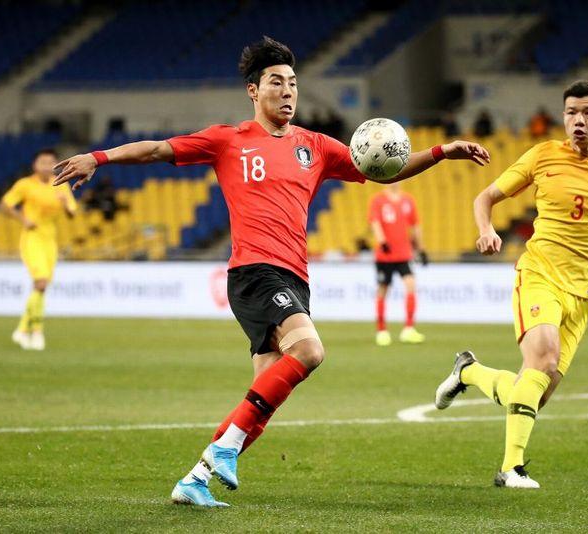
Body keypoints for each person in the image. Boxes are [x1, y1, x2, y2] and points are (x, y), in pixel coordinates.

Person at [52, 37, 490, 507]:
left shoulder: (315, 146)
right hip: (254, 272)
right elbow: (157, 149)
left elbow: (385, 169)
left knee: (260, 401)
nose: (288, 92)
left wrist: (442, 151)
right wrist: (98, 157)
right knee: (309, 350)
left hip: (295, 278)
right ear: (253, 90)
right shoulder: (228, 140)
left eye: (293, 84)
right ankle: (222, 451)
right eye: (276, 82)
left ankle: (194, 480)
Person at [434, 80, 588, 489]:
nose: (578, 120)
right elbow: (484, 198)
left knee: (534, 391)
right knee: (544, 359)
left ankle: (469, 372)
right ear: (563, 118)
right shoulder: (543, 155)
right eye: (571, 113)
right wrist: (486, 230)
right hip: (540, 275)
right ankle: (511, 469)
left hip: (583, 293)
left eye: (587, 112)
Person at [1, 148, 77, 351]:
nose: (46, 166)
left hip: (50, 241)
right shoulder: (25, 185)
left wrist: (65, 205)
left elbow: (72, 213)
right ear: (35, 165)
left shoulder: (61, 184)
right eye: (42, 162)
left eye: (50, 162)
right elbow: (5, 205)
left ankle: (22, 330)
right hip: (32, 238)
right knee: (41, 283)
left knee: (41, 288)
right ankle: (36, 332)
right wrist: (23, 219)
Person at [368, 182, 427, 346]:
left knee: (411, 285)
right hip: (385, 255)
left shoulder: (408, 200)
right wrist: (382, 241)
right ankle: (382, 331)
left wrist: (421, 249)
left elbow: (415, 225)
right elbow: (375, 222)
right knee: (383, 289)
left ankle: (408, 329)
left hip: (404, 254)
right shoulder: (378, 200)